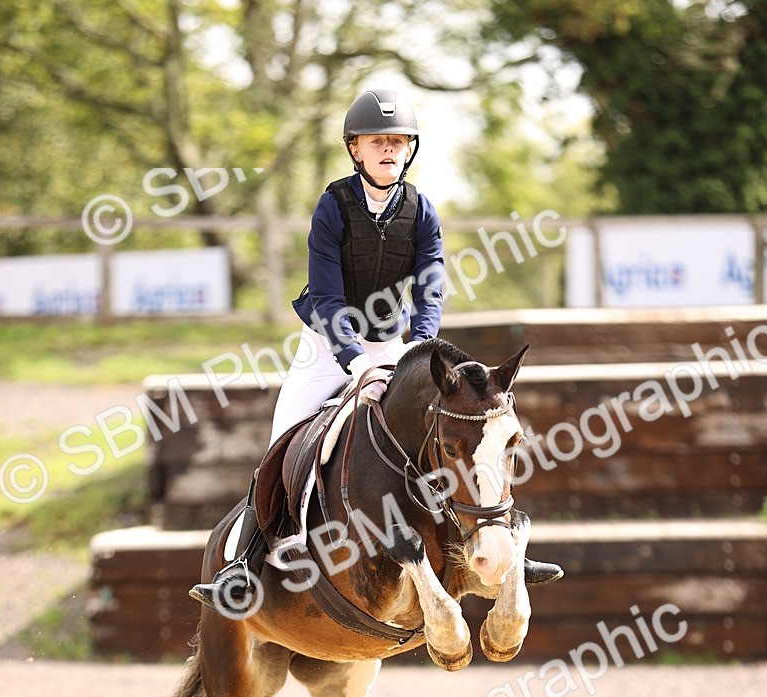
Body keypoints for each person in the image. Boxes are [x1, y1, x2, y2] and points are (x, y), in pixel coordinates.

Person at [191, 88, 561, 617]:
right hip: (327, 343)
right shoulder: (333, 206)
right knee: (284, 441)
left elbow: (430, 289)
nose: (389, 149)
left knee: (465, 433)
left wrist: (418, 349)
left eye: (398, 141)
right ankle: (242, 563)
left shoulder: (422, 210)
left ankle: (500, 547)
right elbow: (326, 295)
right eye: (377, 141)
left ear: (408, 150)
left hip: (396, 343)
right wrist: (357, 362)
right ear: (355, 150)